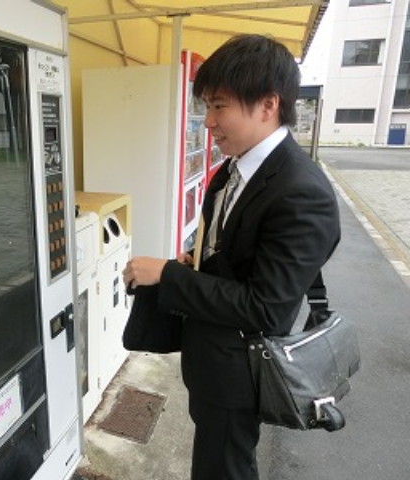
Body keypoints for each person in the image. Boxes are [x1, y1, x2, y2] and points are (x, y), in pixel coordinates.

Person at [122, 34, 341, 479]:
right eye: (206, 106)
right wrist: (197, 260)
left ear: (268, 105)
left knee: (223, 468)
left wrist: (167, 275)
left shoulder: (302, 191)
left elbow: (266, 307)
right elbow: (235, 254)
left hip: (237, 373)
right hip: (211, 360)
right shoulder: (234, 168)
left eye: (219, 106)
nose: (208, 122)